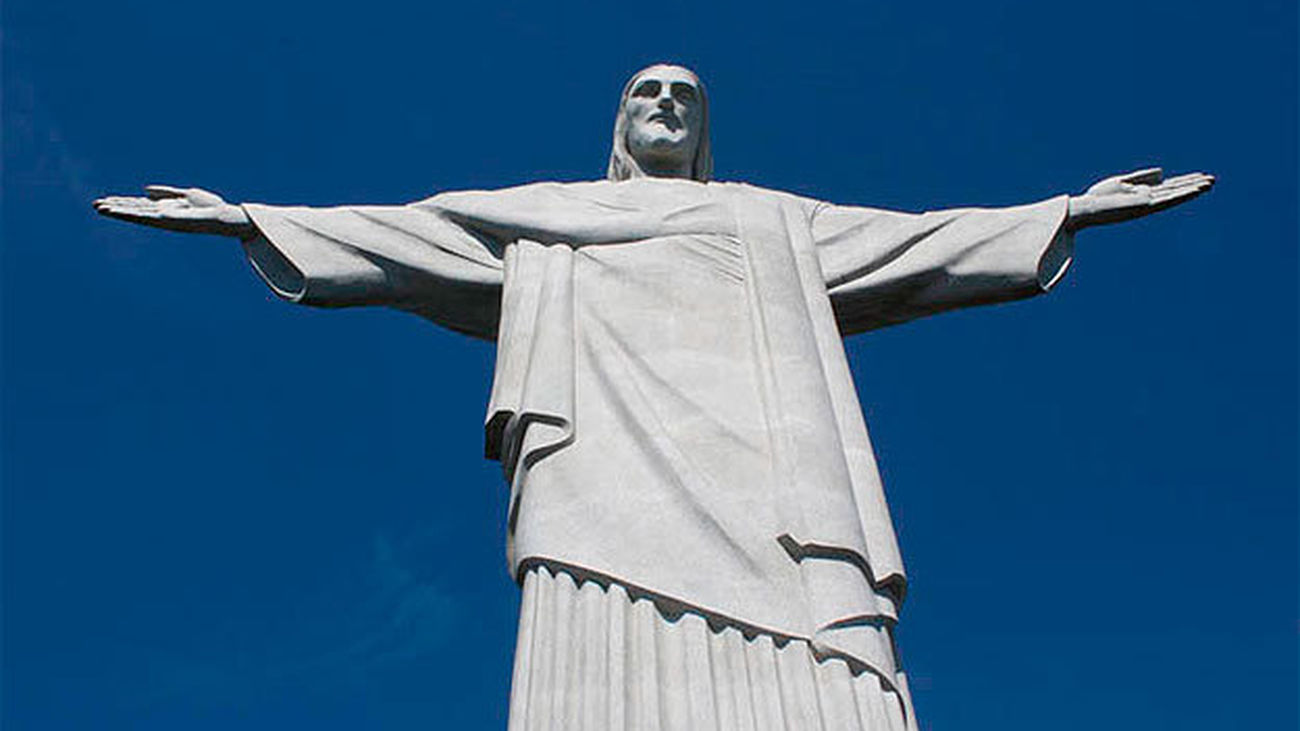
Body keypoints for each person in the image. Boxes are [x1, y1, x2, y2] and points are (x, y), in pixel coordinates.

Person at [95, 64, 1213, 731]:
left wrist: (1063, 209)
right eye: (646, 91)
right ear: (619, 124)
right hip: (603, 474)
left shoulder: (769, 217)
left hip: (776, 481)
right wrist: (250, 217)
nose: (667, 103)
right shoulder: (543, 213)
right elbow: (411, 234)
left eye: (684, 93)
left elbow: (918, 244)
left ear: (703, 125)